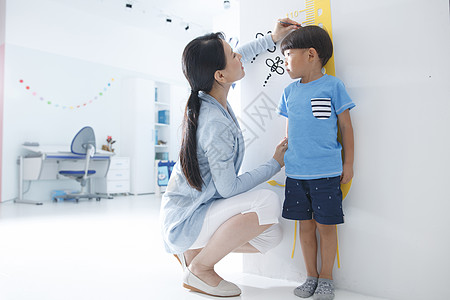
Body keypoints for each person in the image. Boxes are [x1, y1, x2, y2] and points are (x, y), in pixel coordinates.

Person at [160, 18, 300, 297]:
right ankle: (200, 269)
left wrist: (272, 39)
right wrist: (274, 163)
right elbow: (228, 189)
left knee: (271, 235)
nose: (239, 56)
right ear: (220, 76)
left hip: (194, 211)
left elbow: (241, 56)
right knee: (267, 201)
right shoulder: (215, 123)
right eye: (232, 55)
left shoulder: (210, 95)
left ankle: (193, 253)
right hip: (186, 218)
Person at [277, 25, 355, 300]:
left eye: (288, 56)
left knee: (326, 227)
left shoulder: (333, 85)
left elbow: (346, 128)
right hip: (297, 174)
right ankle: (310, 275)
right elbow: (289, 129)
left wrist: (349, 165)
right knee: (305, 227)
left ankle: (327, 278)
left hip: (327, 173)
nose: (284, 62)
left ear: (311, 54)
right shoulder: (289, 91)